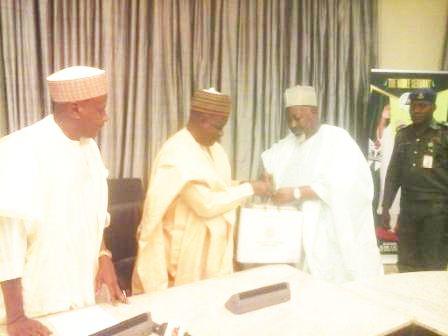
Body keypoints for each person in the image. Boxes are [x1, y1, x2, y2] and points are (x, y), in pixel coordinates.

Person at [0, 66, 125, 336]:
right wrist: (17, 317)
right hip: (34, 307)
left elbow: (93, 212)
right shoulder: (19, 150)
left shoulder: (89, 146)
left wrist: (104, 256)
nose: (106, 117)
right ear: (75, 108)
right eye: (100, 109)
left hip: (79, 295)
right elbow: (5, 243)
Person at [133, 88, 272, 293]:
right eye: (218, 127)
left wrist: (246, 182)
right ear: (203, 119)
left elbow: (217, 185)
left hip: (210, 252)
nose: (221, 134)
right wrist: (251, 188)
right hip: (184, 255)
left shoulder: (211, 148)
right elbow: (206, 204)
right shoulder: (177, 153)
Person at [262, 85, 383, 283]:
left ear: (314, 112)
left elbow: (350, 183)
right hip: (296, 236)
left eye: (298, 117)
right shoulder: (289, 143)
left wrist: (297, 193)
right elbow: (271, 160)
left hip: (330, 233)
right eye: (289, 118)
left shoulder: (336, 139)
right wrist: (266, 175)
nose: (293, 124)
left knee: (336, 287)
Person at [382, 88, 448, 272]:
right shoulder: (403, 135)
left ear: (433, 108)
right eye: (413, 106)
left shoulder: (444, 135)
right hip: (409, 208)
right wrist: (385, 207)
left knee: (433, 263)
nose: (416, 110)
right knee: (406, 262)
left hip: (436, 211)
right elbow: (393, 174)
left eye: (422, 106)